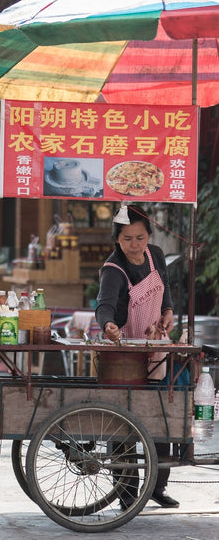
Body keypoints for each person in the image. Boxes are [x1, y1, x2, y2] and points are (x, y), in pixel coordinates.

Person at [95, 204, 179, 509]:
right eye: (128, 238)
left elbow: (165, 288)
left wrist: (168, 311)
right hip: (124, 354)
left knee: (161, 415)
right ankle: (126, 491)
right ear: (117, 238)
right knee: (124, 422)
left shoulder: (155, 255)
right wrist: (108, 325)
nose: (135, 245)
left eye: (140, 238)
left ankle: (158, 486)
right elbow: (103, 305)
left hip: (156, 346)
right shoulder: (113, 268)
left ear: (148, 236)